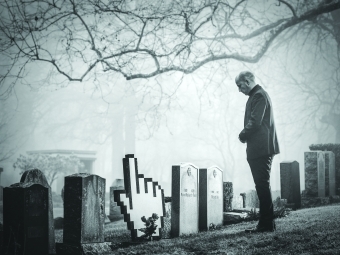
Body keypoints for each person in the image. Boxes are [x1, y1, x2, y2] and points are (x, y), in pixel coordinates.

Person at [235, 71, 280, 233]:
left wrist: (242, 134)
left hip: (262, 149)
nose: (239, 90)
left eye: (240, 86)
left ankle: (266, 225)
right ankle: (266, 224)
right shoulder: (256, 96)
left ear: (247, 81)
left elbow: (255, 121)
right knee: (262, 186)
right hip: (260, 148)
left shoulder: (259, 96)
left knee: (262, 186)